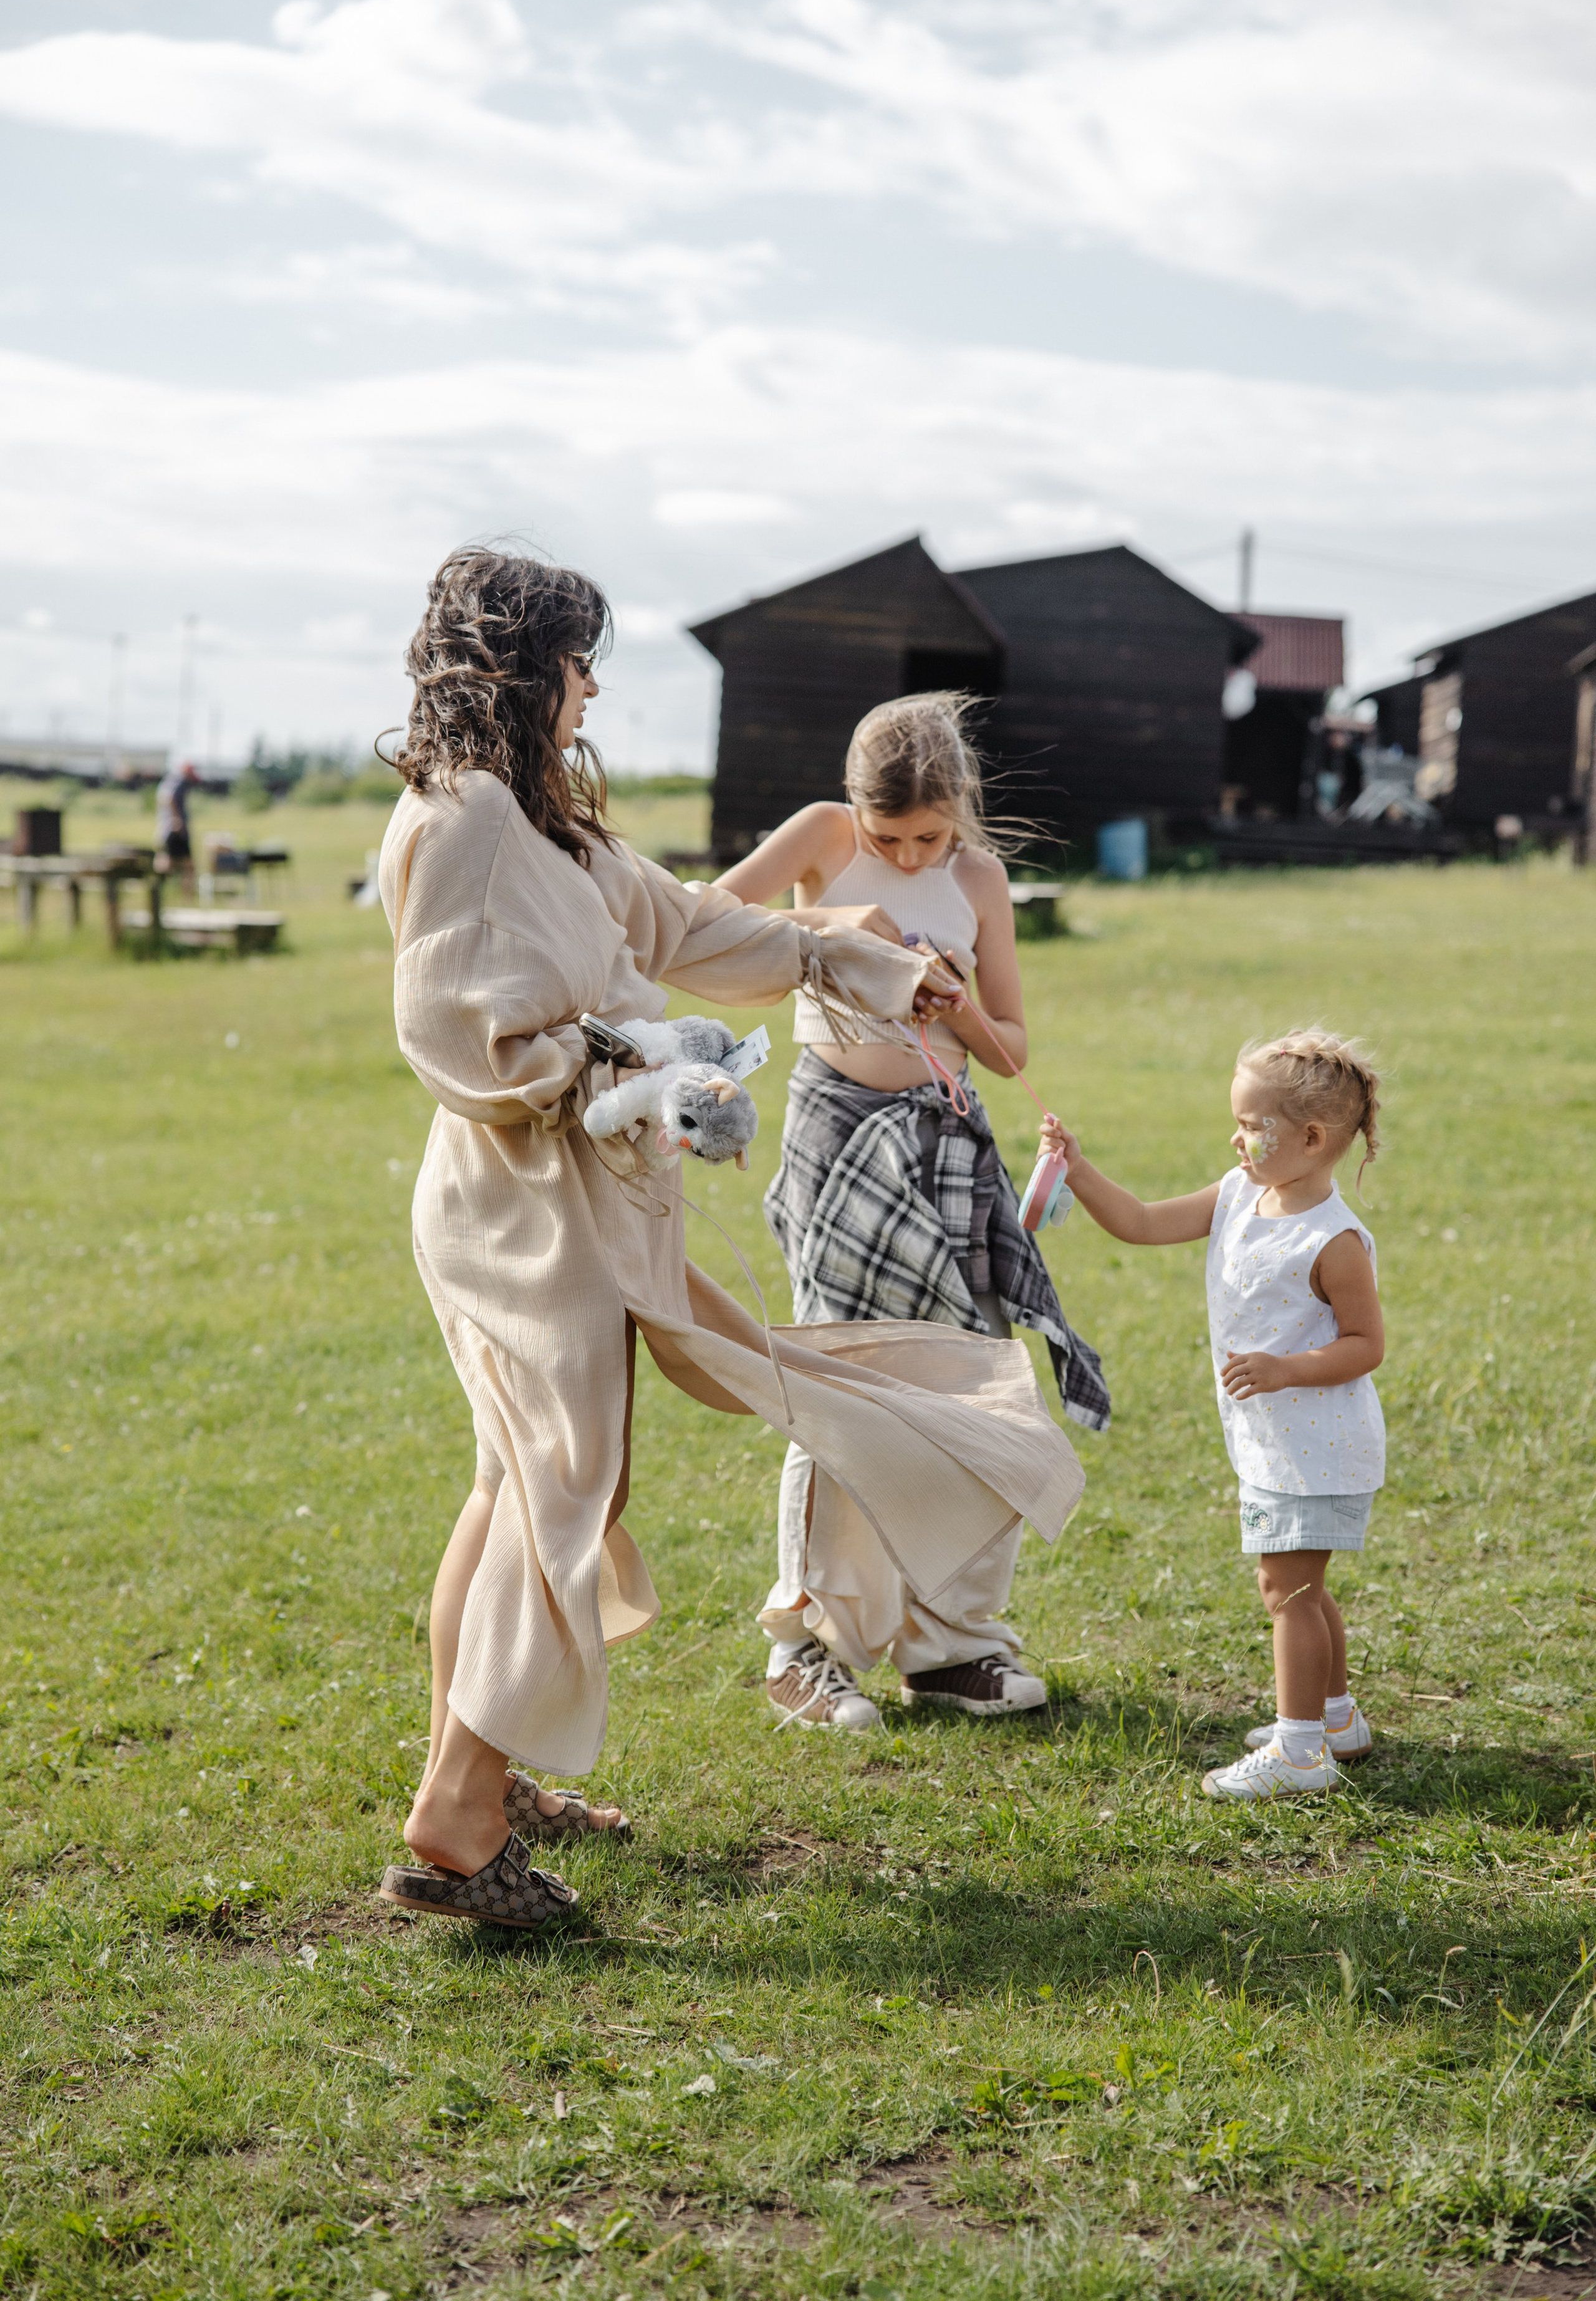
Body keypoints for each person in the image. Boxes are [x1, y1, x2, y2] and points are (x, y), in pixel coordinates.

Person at [373, 551, 1085, 1932]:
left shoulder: (536, 819)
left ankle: (484, 1778)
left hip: (581, 1201)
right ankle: (456, 1825)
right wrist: (642, 1071)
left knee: (523, 1488)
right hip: (525, 1208)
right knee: (557, 1495)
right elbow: (463, 1040)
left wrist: (863, 960)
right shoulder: (462, 820)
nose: (592, 685)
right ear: (524, 667)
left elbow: (692, 923)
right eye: (578, 659)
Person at [713, 693, 1107, 1734]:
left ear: (960, 813)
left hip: (945, 1137)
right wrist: (845, 922)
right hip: (837, 1133)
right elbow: (707, 923)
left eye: (927, 835)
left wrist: (952, 994)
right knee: (844, 1379)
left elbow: (1012, 1047)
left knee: (971, 1387)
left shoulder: (978, 878)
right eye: (888, 835)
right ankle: (807, 1650)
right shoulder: (821, 837)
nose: (906, 849)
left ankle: (953, 1648)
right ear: (854, 807)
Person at [1036, 1027, 1384, 1801]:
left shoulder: (1333, 1241)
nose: (1235, 1135)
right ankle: (1335, 1720)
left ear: (1313, 1137)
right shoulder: (1237, 1194)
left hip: (1316, 1446)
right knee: (1304, 1583)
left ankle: (1299, 1754)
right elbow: (1141, 1222)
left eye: (1252, 1124)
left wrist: (1285, 1367)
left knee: (1286, 1589)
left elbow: (1365, 1345)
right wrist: (1079, 1169)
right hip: (1274, 1440)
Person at [155, 759, 200, 892]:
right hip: (175, 829)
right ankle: (185, 895)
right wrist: (176, 818)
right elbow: (169, 798)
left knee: (167, 860)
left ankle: (159, 890)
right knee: (187, 865)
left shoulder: (169, 781)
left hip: (167, 828)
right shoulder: (178, 782)